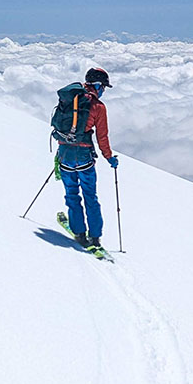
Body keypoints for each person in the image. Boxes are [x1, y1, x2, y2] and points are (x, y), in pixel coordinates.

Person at [54, 67, 119, 253]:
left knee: (72, 194)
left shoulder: (72, 98)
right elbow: (102, 137)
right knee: (90, 196)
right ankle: (95, 236)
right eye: (103, 87)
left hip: (65, 154)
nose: (103, 91)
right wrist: (109, 158)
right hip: (84, 157)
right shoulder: (98, 107)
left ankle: (79, 233)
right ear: (97, 85)